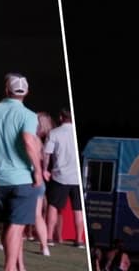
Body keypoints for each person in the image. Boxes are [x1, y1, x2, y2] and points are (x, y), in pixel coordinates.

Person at [0, 72, 45, 271]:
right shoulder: (28, 115)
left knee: (8, 225)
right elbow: (28, 141)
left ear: (6, 90)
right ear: (27, 92)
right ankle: (9, 268)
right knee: (16, 226)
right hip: (22, 177)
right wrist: (38, 172)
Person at [44, 106, 85, 247]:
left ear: (61, 117)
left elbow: (47, 154)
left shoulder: (54, 133)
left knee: (53, 206)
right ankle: (79, 240)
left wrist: (44, 170)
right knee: (78, 210)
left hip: (59, 177)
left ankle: (49, 237)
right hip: (77, 179)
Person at [24, 110, 53, 254]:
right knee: (38, 215)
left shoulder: (29, 139)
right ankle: (44, 247)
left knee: (18, 212)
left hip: (29, 178)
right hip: (40, 182)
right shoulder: (41, 142)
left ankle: (8, 242)